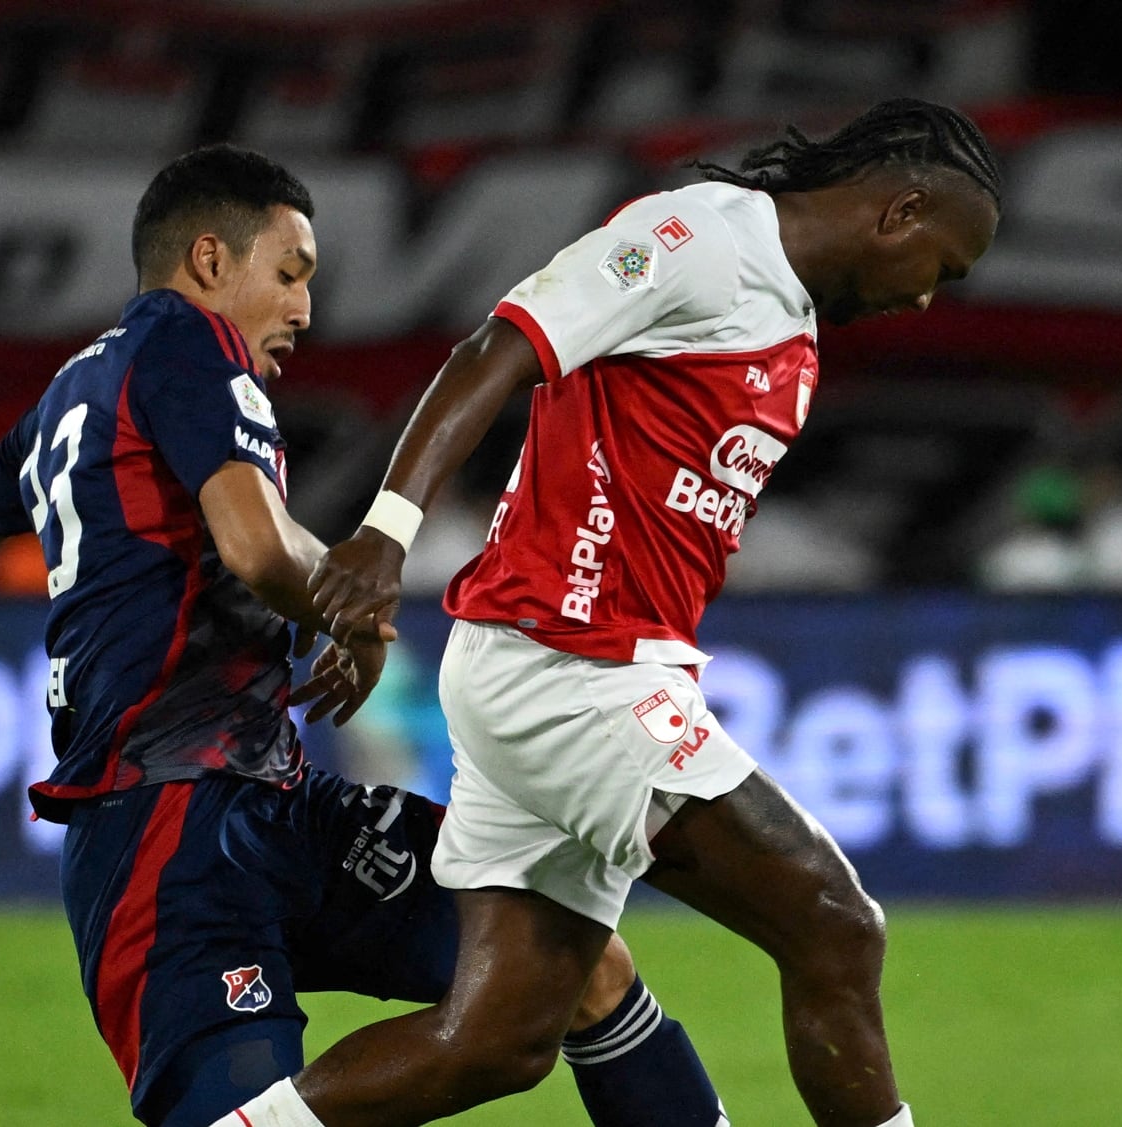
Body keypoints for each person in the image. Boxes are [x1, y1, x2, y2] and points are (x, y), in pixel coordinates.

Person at [0, 145, 728, 1127]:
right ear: (206, 262)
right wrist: (350, 616)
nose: (304, 309)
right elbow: (253, 545)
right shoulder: (188, 349)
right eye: (289, 272)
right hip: (166, 831)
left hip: (272, 802)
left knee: (567, 956)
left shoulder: (74, 395)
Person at [236, 98, 1003, 1127]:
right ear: (898, 210)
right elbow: (495, 347)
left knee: (495, 1042)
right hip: (572, 670)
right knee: (832, 923)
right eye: (940, 269)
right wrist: (386, 529)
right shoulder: (695, 239)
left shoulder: (791, 327)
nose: (924, 299)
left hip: (569, 669)